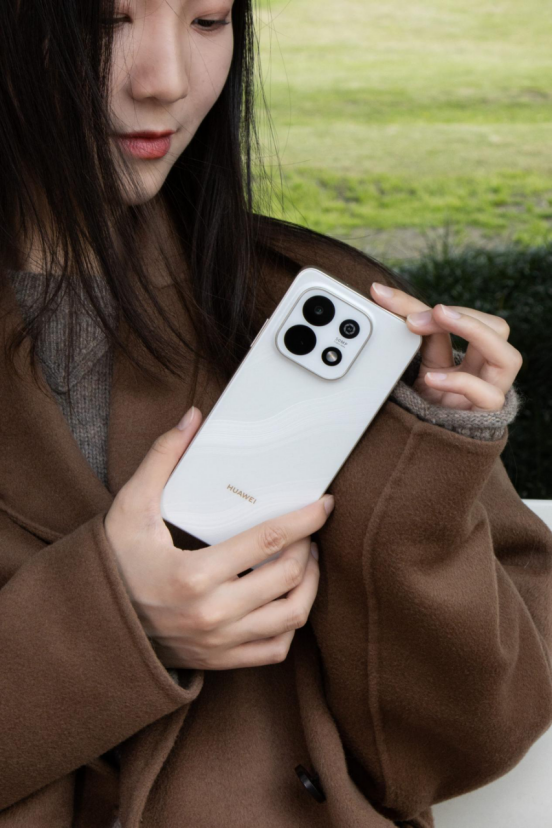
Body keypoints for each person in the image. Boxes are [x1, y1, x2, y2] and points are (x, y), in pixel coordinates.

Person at [0, 2, 550, 828]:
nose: (165, 82)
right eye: (107, 21)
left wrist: (421, 480)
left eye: (207, 19)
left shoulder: (322, 304)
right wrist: (115, 628)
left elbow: (474, 736)